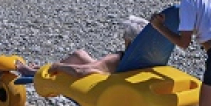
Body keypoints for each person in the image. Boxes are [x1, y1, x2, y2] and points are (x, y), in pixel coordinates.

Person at [16, 15, 148, 77]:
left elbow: (82, 72)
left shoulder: (117, 59)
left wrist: (58, 67)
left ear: (129, 41)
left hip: (99, 83)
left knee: (70, 63)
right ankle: (42, 67)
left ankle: (32, 72)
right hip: (113, 76)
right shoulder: (146, 58)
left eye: (124, 36)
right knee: (79, 55)